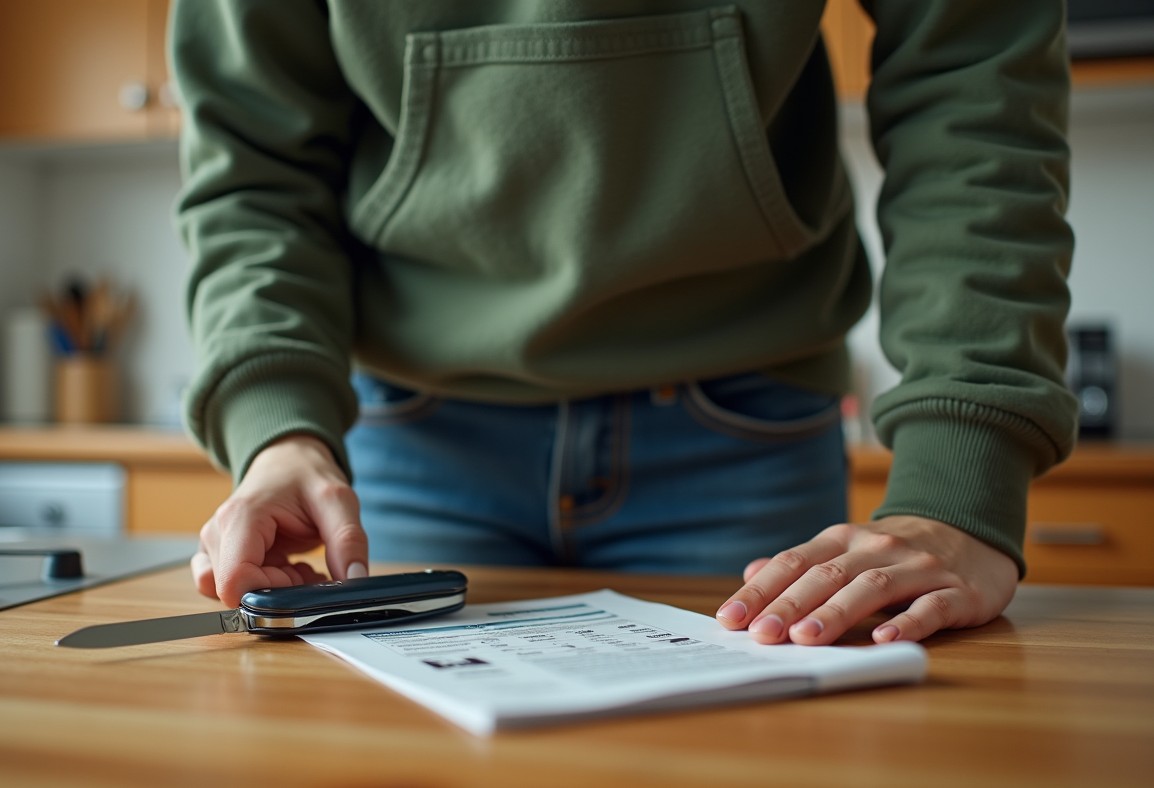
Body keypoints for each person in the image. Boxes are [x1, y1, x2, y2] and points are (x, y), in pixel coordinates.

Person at [171, 1, 1076, 647]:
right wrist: (277, 428)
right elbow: (252, 167)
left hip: (744, 433)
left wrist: (961, 488)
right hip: (407, 444)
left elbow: (976, 93)